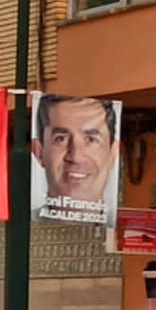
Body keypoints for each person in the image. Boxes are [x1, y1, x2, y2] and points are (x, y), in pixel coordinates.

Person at [32, 95, 118, 223]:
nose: (76, 157)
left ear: (113, 153)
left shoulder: (125, 229)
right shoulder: (21, 225)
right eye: (61, 139)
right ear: (39, 152)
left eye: (91, 139)